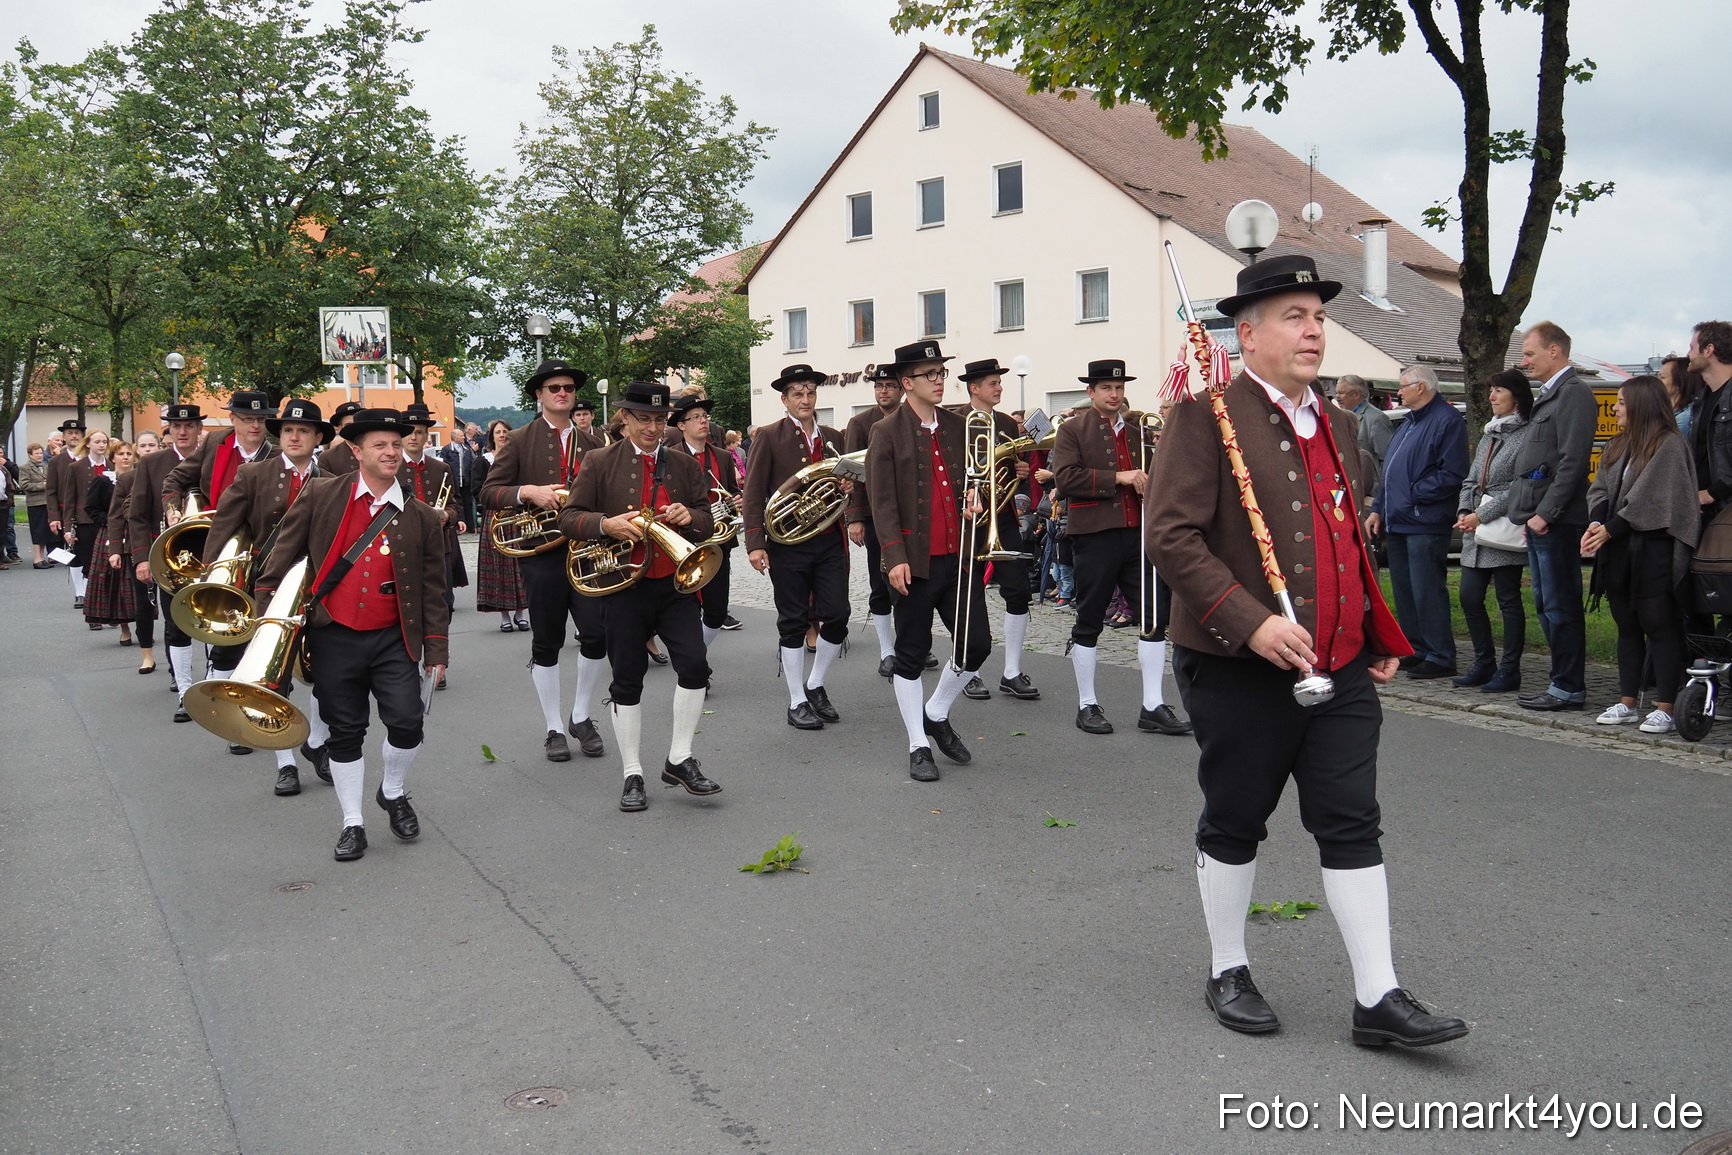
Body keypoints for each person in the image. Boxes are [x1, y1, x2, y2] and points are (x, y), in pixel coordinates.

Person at [1147, 253, 1466, 1048]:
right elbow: (1171, 537)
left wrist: (1377, 630)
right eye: (1295, 316)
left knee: (1352, 819)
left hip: (1340, 666)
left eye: (1319, 317)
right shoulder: (1204, 416)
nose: (1314, 330)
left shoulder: (1342, 424)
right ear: (1248, 335)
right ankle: (1228, 967)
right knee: (1236, 816)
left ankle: (1378, 996)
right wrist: (1250, 621)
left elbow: (1346, 540)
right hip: (1236, 665)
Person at [253, 408, 449, 862]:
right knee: (345, 732)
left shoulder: (420, 515)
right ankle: (352, 822)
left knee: (408, 723)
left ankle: (392, 791)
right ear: (357, 452)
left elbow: (433, 589)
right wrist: (266, 620)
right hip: (334, 634)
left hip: (394, 636)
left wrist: (437, 648)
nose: (391, 452)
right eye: (380, 445)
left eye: (396, 444)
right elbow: (281, 556)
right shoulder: (322, 493)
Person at [559, 380, 721, 812]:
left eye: (659, 420)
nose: (652, 428)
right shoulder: (600, 460)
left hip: (676, 584)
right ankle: (632, 772)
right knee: (628, 680)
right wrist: (605, 524)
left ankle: (680, 759)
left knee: (695, 667)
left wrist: (691, 517)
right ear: (625, 418)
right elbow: (569, 517)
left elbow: (708, 518)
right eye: (644, 419)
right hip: (624, 587)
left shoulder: (683, 464)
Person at [866, 341, 992, 782]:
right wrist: (892, 555)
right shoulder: (886, 430)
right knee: (911, 654)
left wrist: (975, 497)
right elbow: (881, 501)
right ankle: (918, 743)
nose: (939, 381)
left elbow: (974, 480)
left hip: (959, 557)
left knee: (977, 645)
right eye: (930, 374)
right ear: (907, 382)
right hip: (913, 561)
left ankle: (936, 712)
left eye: (941, 372)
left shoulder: (959, 424)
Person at [1050, 360, 1191, 736]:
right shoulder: (1072, 430)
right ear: (1091, 392)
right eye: (1106, 388)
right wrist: (1119, 477)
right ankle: (1087, 704)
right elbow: (1065, 479)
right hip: (1094, 536)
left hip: (1137, 535)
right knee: (1090, 618)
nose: (1114, 394)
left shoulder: (1137, 431)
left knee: (1152, 616)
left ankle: (1153, 705)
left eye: (1119, 388)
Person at [200, 398, 335, 790]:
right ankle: (285, 762)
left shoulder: (333, 480)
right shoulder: (253, 474)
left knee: (326, 673)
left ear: (317, 438)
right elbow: (223, 527)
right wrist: (210, 579)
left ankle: (316, 742)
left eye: (303, 431)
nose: (294, 437)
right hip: (270, 585)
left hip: (318, 589)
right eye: (288, 430)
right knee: (275, 675)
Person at [478, 360, 608, 762]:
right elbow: (488, 492)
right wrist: (527, 492)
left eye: (568, 387)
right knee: (547, 641)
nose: (562, 393)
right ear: (539, 395)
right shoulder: (519, 439)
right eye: (554, 388)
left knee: (597, 635)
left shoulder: (593, 443)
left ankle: (580, 716)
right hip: (542, 553)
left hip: (586, 551)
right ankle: (554, 727)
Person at [1583, 376, 1700, 735]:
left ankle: (1666, 706)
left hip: (1654, 549)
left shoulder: (1670, 444)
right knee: (1627, 625)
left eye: (1621, 402)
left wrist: (1612, 528)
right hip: (1619, 549)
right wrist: (1597, 522)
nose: (1615, 408)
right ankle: (1627, 702)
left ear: (1641, 404)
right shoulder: (1618, 443)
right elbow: (1600, 488)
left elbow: (1653, 497)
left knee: (1659, 624)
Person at [742, 364, 851, 730]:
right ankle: (796, 700)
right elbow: (753, 492)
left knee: (837, 614)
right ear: (785, 400)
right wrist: (755, 543)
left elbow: (847, 484)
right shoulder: (769, 436)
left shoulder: (833, 437)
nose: (805, 399)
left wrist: (848, 487)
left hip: (828, 539)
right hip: (787, 543)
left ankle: (815, 684)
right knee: (792, 621)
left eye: (810, 392)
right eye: (797, 394)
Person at [164, 390, 282, 711]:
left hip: (256, 550)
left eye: (261, 419)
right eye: (248, 419)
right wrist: (174, 509)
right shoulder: (216, 443)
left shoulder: (276, 455)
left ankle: (227, 693)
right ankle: (198, 692)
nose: (255, 425)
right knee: (208, 617)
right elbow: (176, 478)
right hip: (212, 543)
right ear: (232, 419)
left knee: (241, 628)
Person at [1508, 321, 1598, 712]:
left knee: (1560, 607)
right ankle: (1562, 682)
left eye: (1529, 353)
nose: (1524, 361)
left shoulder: (1573, 394)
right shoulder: (1551, 394)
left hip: (1556, 521)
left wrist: (1546, 513)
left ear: (1554, 351)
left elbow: (1572, 462)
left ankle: (1568, 687)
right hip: (1540, 520)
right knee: (1547, 606)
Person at [1368, 365, 1469, 679]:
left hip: (1424, 521)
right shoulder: (1408, 423)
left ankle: (1440, 655)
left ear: (1422, 387)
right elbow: (1389, 472)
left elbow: (1452, 473)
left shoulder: (1447, 421)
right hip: (1399, 520)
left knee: (1427, 590)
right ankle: (1416, 648)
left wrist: (1412, 495)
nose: (1398, 392)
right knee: (1405, 590)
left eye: (1403, 386)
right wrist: (1379, 508)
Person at [955, 358, 1042, 702]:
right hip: (969, 518)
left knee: (1018, 589)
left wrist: (1019, 469)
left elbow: (1014, 465)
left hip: (1002, 516)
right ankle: (969, 670)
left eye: (1000, 382)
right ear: (974, 388)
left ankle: (1012, 671)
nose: (999, 387)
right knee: (969, 592)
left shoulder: (1006, 422)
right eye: (993, 383)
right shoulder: (956, 421)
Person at [1452, 370, 1532, 692]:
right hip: (1476, 529)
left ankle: (1510, 670)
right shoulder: (1490, 432)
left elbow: (1520, 486)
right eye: (1491, 390)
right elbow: (1471, 479)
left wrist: (1481, 515)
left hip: (1503, 528)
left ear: (1517, 396)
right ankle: (1484, 662)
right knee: (1469, 597)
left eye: (1499, 390)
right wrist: (1464, 511)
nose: (1492, 397)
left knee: (1508, 599)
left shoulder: (1527, 434)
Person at [130, 403, 208, 711]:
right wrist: (141, 558)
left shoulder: (213, 459)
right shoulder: (152, 463)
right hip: (169, 556)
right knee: (175, 621)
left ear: (199, 429)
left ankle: (214, 678)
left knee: (214, 618)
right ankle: (183, 686)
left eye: (189, 426)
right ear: (170, 430)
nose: (183, 431)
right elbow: (137, 515)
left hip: (211, 553)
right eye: (177, 426)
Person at [844, 363, 904, 677]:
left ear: (902, 389)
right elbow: (851, 474)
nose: (883, 391)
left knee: (913, 583)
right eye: (879, 386)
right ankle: (887, 651)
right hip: (873, 515)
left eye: (889, 386)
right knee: (880, 582)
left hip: (910, 513)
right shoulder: (860, 423)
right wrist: (854, 517)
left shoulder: (912, 418)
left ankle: (910, 643)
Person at [667, 394, 740, 646]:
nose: (703, 421)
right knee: (684, 609)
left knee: (717, 611)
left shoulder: (722, 456)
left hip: (717, 544)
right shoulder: (669, 456)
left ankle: (698, 652)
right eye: (696, 417)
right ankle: (693, 660)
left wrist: (736, 501)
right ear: (681, 425)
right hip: (683, 542)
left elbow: (731, 492)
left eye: (705, 416)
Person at [399, 403, 467, 627]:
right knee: (407, 606)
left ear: (427, 436)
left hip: (439, 546)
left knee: (443, 603)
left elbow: (455, 505)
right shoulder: (390, 468)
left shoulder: (441, 469)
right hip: (403, 546)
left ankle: (437, 646)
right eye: (409, 432)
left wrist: (447, 515)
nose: (413, 437)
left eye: (419, 432)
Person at [105, 436, 160, 674]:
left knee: (174, 606)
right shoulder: (128, 479)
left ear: (160, 447)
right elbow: (115, 516)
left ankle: (178, 659)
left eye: (152, 445)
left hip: (171, 546)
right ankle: (147, 655)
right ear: (138, 450)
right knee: (143, 602)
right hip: (137, 547)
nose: (148, 449)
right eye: (143, 446)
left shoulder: (173, 472)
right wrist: (115, 549)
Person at [475, 418, 528, 632]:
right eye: (498, 432)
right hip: (494, 516)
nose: (502, 435)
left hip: (516, 514)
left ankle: (521, 613)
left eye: (505, 431)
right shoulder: (484, 461)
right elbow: (477, 489)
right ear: (492, 437)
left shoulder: (519, 457)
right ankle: (504, 616)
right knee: (497, 565)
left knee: (519, 563)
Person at [83, 440, 136, 637]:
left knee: (137, 581)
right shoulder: (104, 480)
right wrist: (110, 521)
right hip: (111, 533)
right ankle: (124, 627)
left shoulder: (140, 478)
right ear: (113, 458)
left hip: (136, 532)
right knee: (115, 580)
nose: (125, 457)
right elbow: (91, 508)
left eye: (129, 454)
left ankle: (143, 625)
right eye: (121, 454)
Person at [66, 430, 112, 609]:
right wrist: (68, 527)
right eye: (97, 442)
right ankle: (84, 595)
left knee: (106, 560)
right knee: (85, 559)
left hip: (107, 519)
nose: (101, 445)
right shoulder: (76, 467)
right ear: (88, 444)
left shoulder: (112, 465)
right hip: (84, 520)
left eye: (104, 442)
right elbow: (70, 498)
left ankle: (104, 595)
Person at [46, 419, 87, 606]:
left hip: (91, 513)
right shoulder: (56, 462)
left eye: (77, 432)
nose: (74, 436)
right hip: (67, 513)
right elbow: (51, 491)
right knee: (74, 551)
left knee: (92, 554)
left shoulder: (91, 458)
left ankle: (91, 591)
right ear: (63, 437)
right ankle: (80, 592)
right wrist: (54, 517)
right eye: (70, 433)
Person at [439, 421, 479, 532]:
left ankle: (471, 526)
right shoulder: (447, 449)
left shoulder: (467, 449)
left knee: (468, 502)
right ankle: (458, 525)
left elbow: (472, 463)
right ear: (454, 437)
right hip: (454, 480)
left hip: (466, 480)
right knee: (456, 503)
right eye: (461, 435)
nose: (463, 437)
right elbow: (444, 465)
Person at [21, 443, 53, 568]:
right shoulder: (25, 468)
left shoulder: (45, 467)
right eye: (37, 453)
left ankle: (41, 558)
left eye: (41, 453)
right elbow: (24, 485)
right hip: (35, 503)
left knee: (44, 531)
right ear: (30, 455)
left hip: (46, 503)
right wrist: (43, 485)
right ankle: (37, 558)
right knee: (37, 531)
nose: (40, 455)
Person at [1658, 355, 1703, 438]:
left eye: (1662, 377)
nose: (1657, 382)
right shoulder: (1674, 414)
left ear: (1679, 383)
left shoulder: (1684, 419)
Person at [315, 401, 364, 475]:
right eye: (348, 425)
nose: (353, 428)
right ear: (340, 428)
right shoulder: (328, 457)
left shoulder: (374, 450)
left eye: (356, 424)